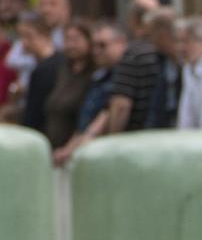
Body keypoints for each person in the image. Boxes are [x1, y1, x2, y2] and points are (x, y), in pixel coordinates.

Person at [52, 21, 127, 165]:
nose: (97, 51)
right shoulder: (98, 78)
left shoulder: (123, 75)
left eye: (103, 45)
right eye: (95, 46)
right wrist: (69, 148)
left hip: (102, 153)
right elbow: (84, 122)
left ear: (121, 43)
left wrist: (77, 146)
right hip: (81, 150)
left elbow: (106, 115)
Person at [106, 0, 161, 134]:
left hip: (134, 136)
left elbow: (121, 104)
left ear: (132, 19)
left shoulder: (133, 54)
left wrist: (113, 138)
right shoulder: (161, 52)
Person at [43, 19, 95, 150]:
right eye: (67, 39)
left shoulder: (96, 75)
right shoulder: (62, 70)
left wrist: (69, 148)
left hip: (77, 148)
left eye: (76, 40)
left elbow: (88, 117)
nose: (71, 45)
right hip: (54, 145)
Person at [16, 11, 62, 136]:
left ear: (45, 35)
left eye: (29, 36)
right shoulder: (45, 64)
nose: (24, 43)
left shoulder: (45, 69)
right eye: (21, 36)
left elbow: (34, 115)